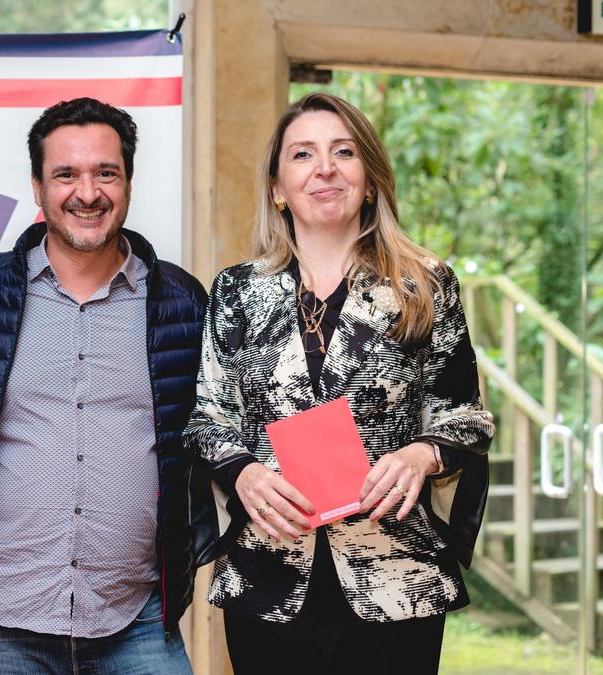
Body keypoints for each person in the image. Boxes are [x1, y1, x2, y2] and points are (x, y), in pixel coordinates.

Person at [183, 92, 494, 674]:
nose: (324, 168)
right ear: (278, 187)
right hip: (266, 575)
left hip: (397, 577)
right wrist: (242, 473)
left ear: (370, 181)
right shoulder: (235, 291)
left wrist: (422, 454)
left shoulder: (426, 285)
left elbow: (466, 416)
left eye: (343, 152)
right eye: (303, 154)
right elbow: (207, 420)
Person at [0, 97, 207, 674]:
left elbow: (207, 431)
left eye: (105, 172)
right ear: (37, 187)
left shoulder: (182, 301)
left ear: (129, 181)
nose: (87, 193)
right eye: (66, 174)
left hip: (136, 617)